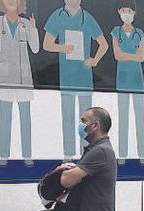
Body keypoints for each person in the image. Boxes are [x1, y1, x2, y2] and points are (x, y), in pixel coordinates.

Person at [43, 0, 109, 160]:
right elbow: (47, 44)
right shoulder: (57, 16)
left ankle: (86, 152)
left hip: (85, 79)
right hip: (66, 78)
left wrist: (94, 61)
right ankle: (68, 154)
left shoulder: (86, 18)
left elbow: (104, 45)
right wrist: (63, 47)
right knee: (68, 118)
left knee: (87, 122)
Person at [0, 0, 40, 166]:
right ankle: (4, 155)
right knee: (5, 118)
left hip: (23, 79)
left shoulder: (25, 23)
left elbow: (36, 49)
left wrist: (33, 29)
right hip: (5, 77)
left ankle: (27, 155)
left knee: (25, 119)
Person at [111, 0, 144, 165]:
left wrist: (127, 55)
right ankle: (123, 154)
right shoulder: (116, 32)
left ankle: (142, 153)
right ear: (119, 12)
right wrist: (132, 54)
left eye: (130, 11)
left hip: (138, 81)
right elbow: (117, 55)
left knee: (140, 118)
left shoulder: (140, 33)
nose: (127, 13)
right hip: (122, 81)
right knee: (123, 119)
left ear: (134, 13)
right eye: (124, 10)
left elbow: (141, 57)